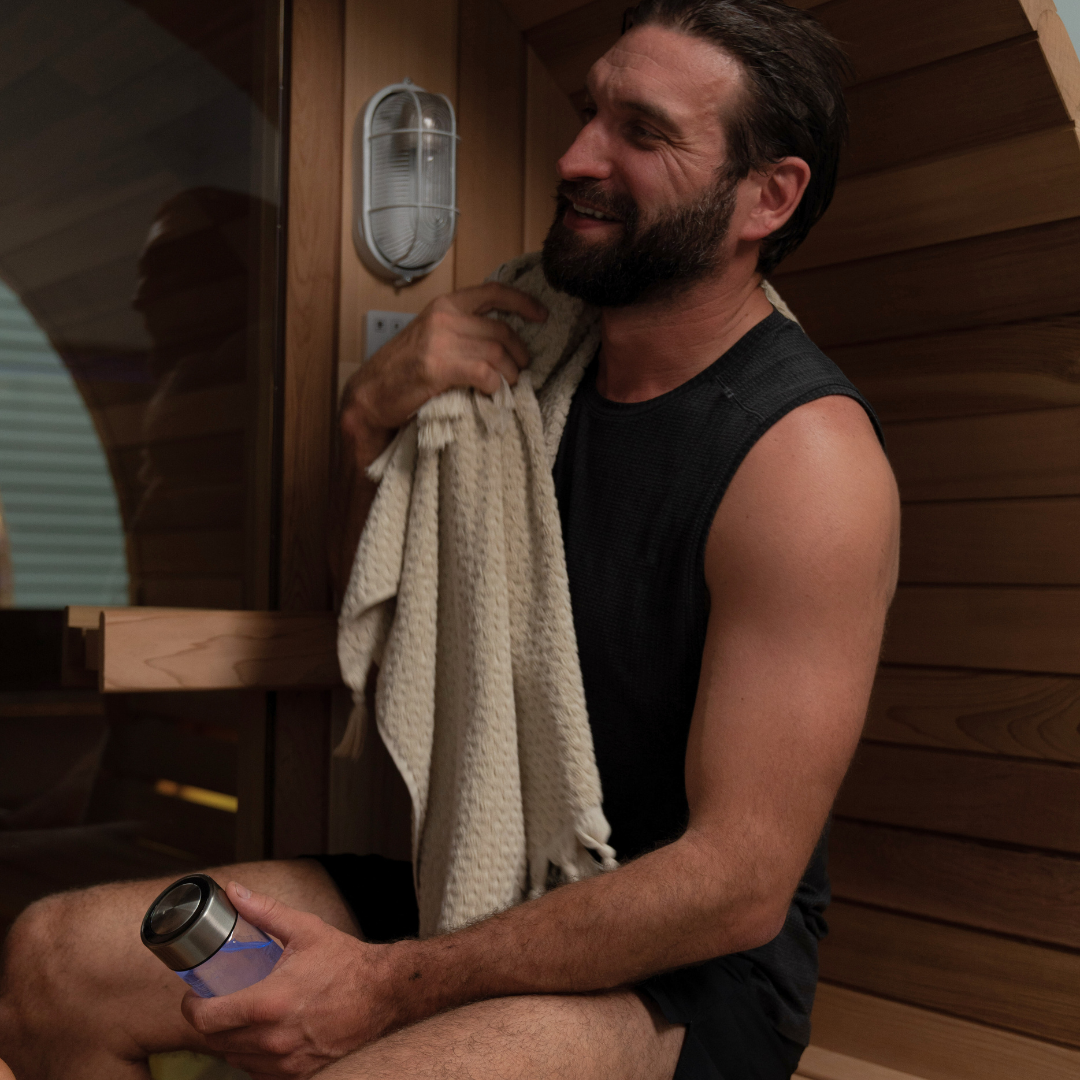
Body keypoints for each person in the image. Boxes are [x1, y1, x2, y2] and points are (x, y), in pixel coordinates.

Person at [0, 2, 899, 1078]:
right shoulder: (519, 376)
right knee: (55, 958)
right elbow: (377, 618)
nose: (577, 157)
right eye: (589, 113)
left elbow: (738, 881)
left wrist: (384, 986)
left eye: (642, 132)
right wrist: (364, 423)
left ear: (769, 195)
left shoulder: (804, 462)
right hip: (481, 884)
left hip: (690, 977)